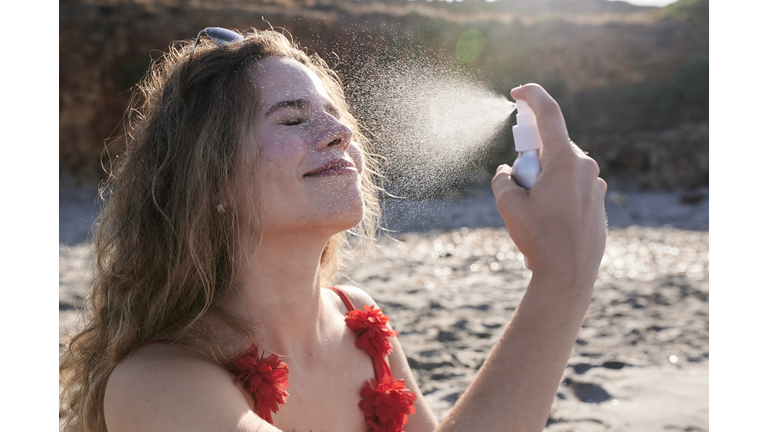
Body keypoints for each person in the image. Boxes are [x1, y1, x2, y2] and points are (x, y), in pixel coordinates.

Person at [59, 27, 607, 432]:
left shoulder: (357, 320)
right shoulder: (159, 384)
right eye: (293, 119)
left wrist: (564, 271)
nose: (340, 131)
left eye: (335, 113)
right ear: (211, 181)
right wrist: (562, 273)